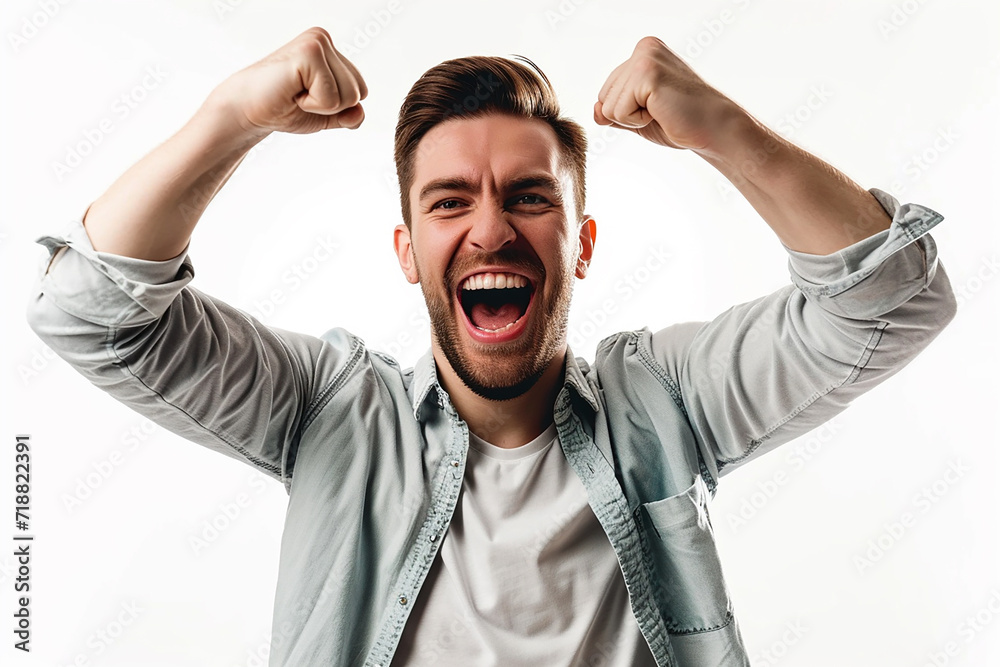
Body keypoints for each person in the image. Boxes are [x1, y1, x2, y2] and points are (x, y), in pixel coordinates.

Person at [26, 26, 956, 667]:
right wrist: (232, 117)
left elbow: (894, 298)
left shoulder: (668, 400)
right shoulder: (328, 410)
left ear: (581, 244)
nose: (489, 230)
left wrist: (725, 130)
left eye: (529, 195)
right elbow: (89, 309)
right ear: (408, 253)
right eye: (448, 201)